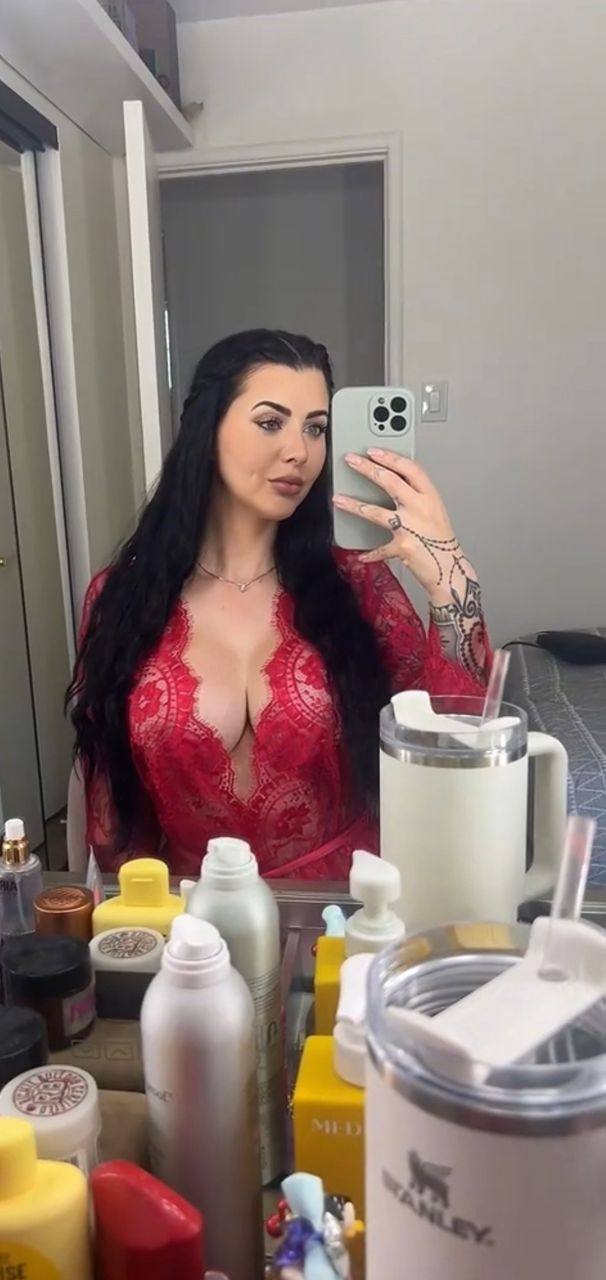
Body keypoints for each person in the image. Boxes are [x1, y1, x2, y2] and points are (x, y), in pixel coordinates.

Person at [69, 329, 490, 879]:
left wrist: (450, 580)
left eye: (316, 428)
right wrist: (142, 918)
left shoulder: (358, 582)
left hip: (344, 907)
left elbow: (451, 739)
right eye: (271, 422)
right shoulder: (122, 596)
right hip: (196, 914)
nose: (300, 452)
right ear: (207, 431)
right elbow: (114, 808)